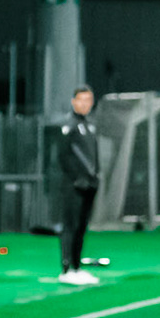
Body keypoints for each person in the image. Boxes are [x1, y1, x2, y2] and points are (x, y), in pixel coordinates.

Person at [58, 85, 102, 285]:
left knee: (82, 226)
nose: (85, 104)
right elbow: (63, 156)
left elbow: (94, 157)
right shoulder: (69, 125)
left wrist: (95, 177)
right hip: (73, 186)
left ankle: (77, 267)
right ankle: (67, 269)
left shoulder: (90, 125)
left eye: (88, 100)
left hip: (89, 186)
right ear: (73, 101)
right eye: (81, 100)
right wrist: (76, 178)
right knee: (71, 225)